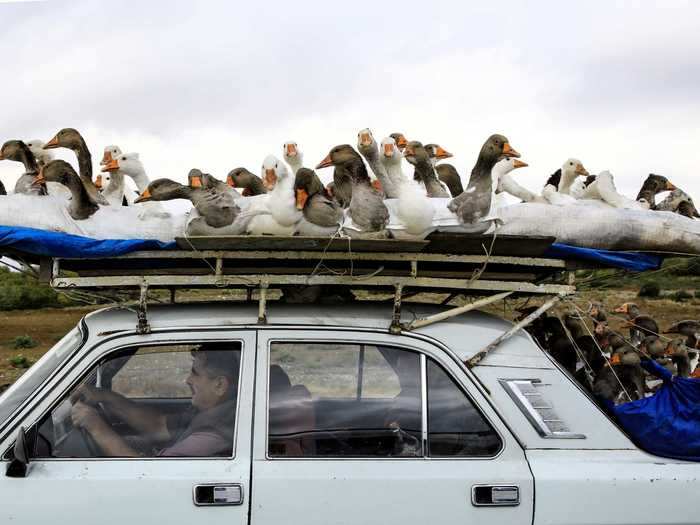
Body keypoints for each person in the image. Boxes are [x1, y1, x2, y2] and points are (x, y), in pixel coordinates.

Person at [70, 346, 239, 457]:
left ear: (219, 385)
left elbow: (143, 472)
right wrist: (105, 396)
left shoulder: (215, 435)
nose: (187, 380)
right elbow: (159, 425)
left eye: (195, 373)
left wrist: (96, 427)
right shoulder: (212, 410)